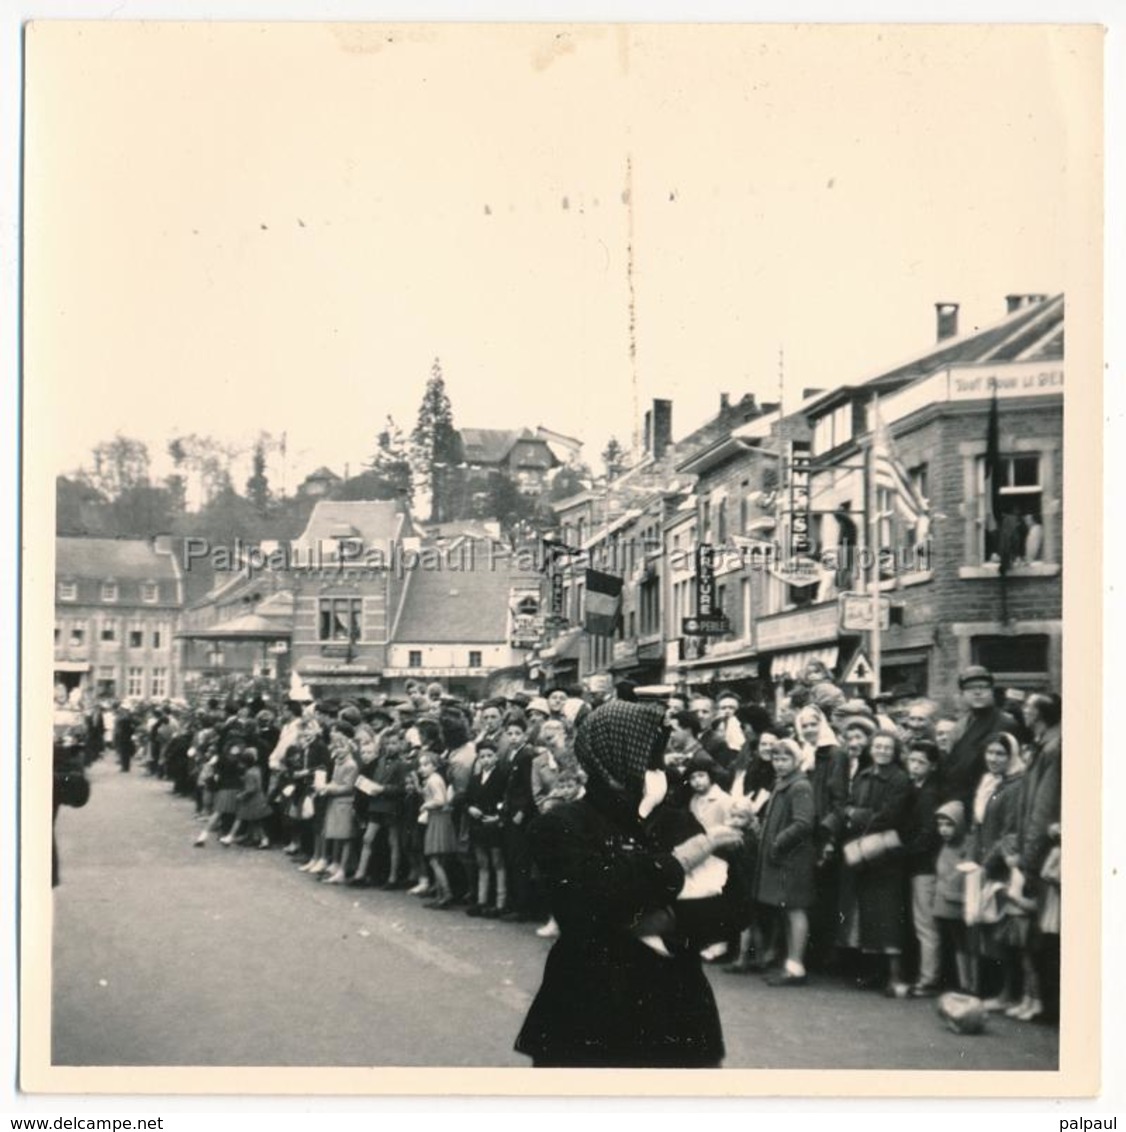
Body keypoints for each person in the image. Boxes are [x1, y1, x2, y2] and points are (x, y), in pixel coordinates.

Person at [515, 701, 741, 1068]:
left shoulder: (674, 820)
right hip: (591, 1005)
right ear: (614, 757)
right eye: (651, 758)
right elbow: (594, 900)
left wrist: (664, 919)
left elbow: (731, 907)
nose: (660, 769)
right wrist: (682, 861)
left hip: (675, 1007)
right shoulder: (561, 825)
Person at [751, 738, 816, 986]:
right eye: (776, 759)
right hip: (784, 858)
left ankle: (796, 965)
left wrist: (778, 842)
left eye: (785, 759)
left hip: (793, 859)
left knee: (795, 909)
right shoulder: (785, 783)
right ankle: (791, 963)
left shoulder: (799, 786)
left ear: (796, 760)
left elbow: (803, 823)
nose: (779, 764)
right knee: (787, 911)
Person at [941, 667, 1018, 807]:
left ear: (991, 691)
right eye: (970, 688)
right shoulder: (963, 723)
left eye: (983, 687)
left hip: (986, 799)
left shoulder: (1005, 723)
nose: (977, 692)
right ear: (962, 694)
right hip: (958, 799)